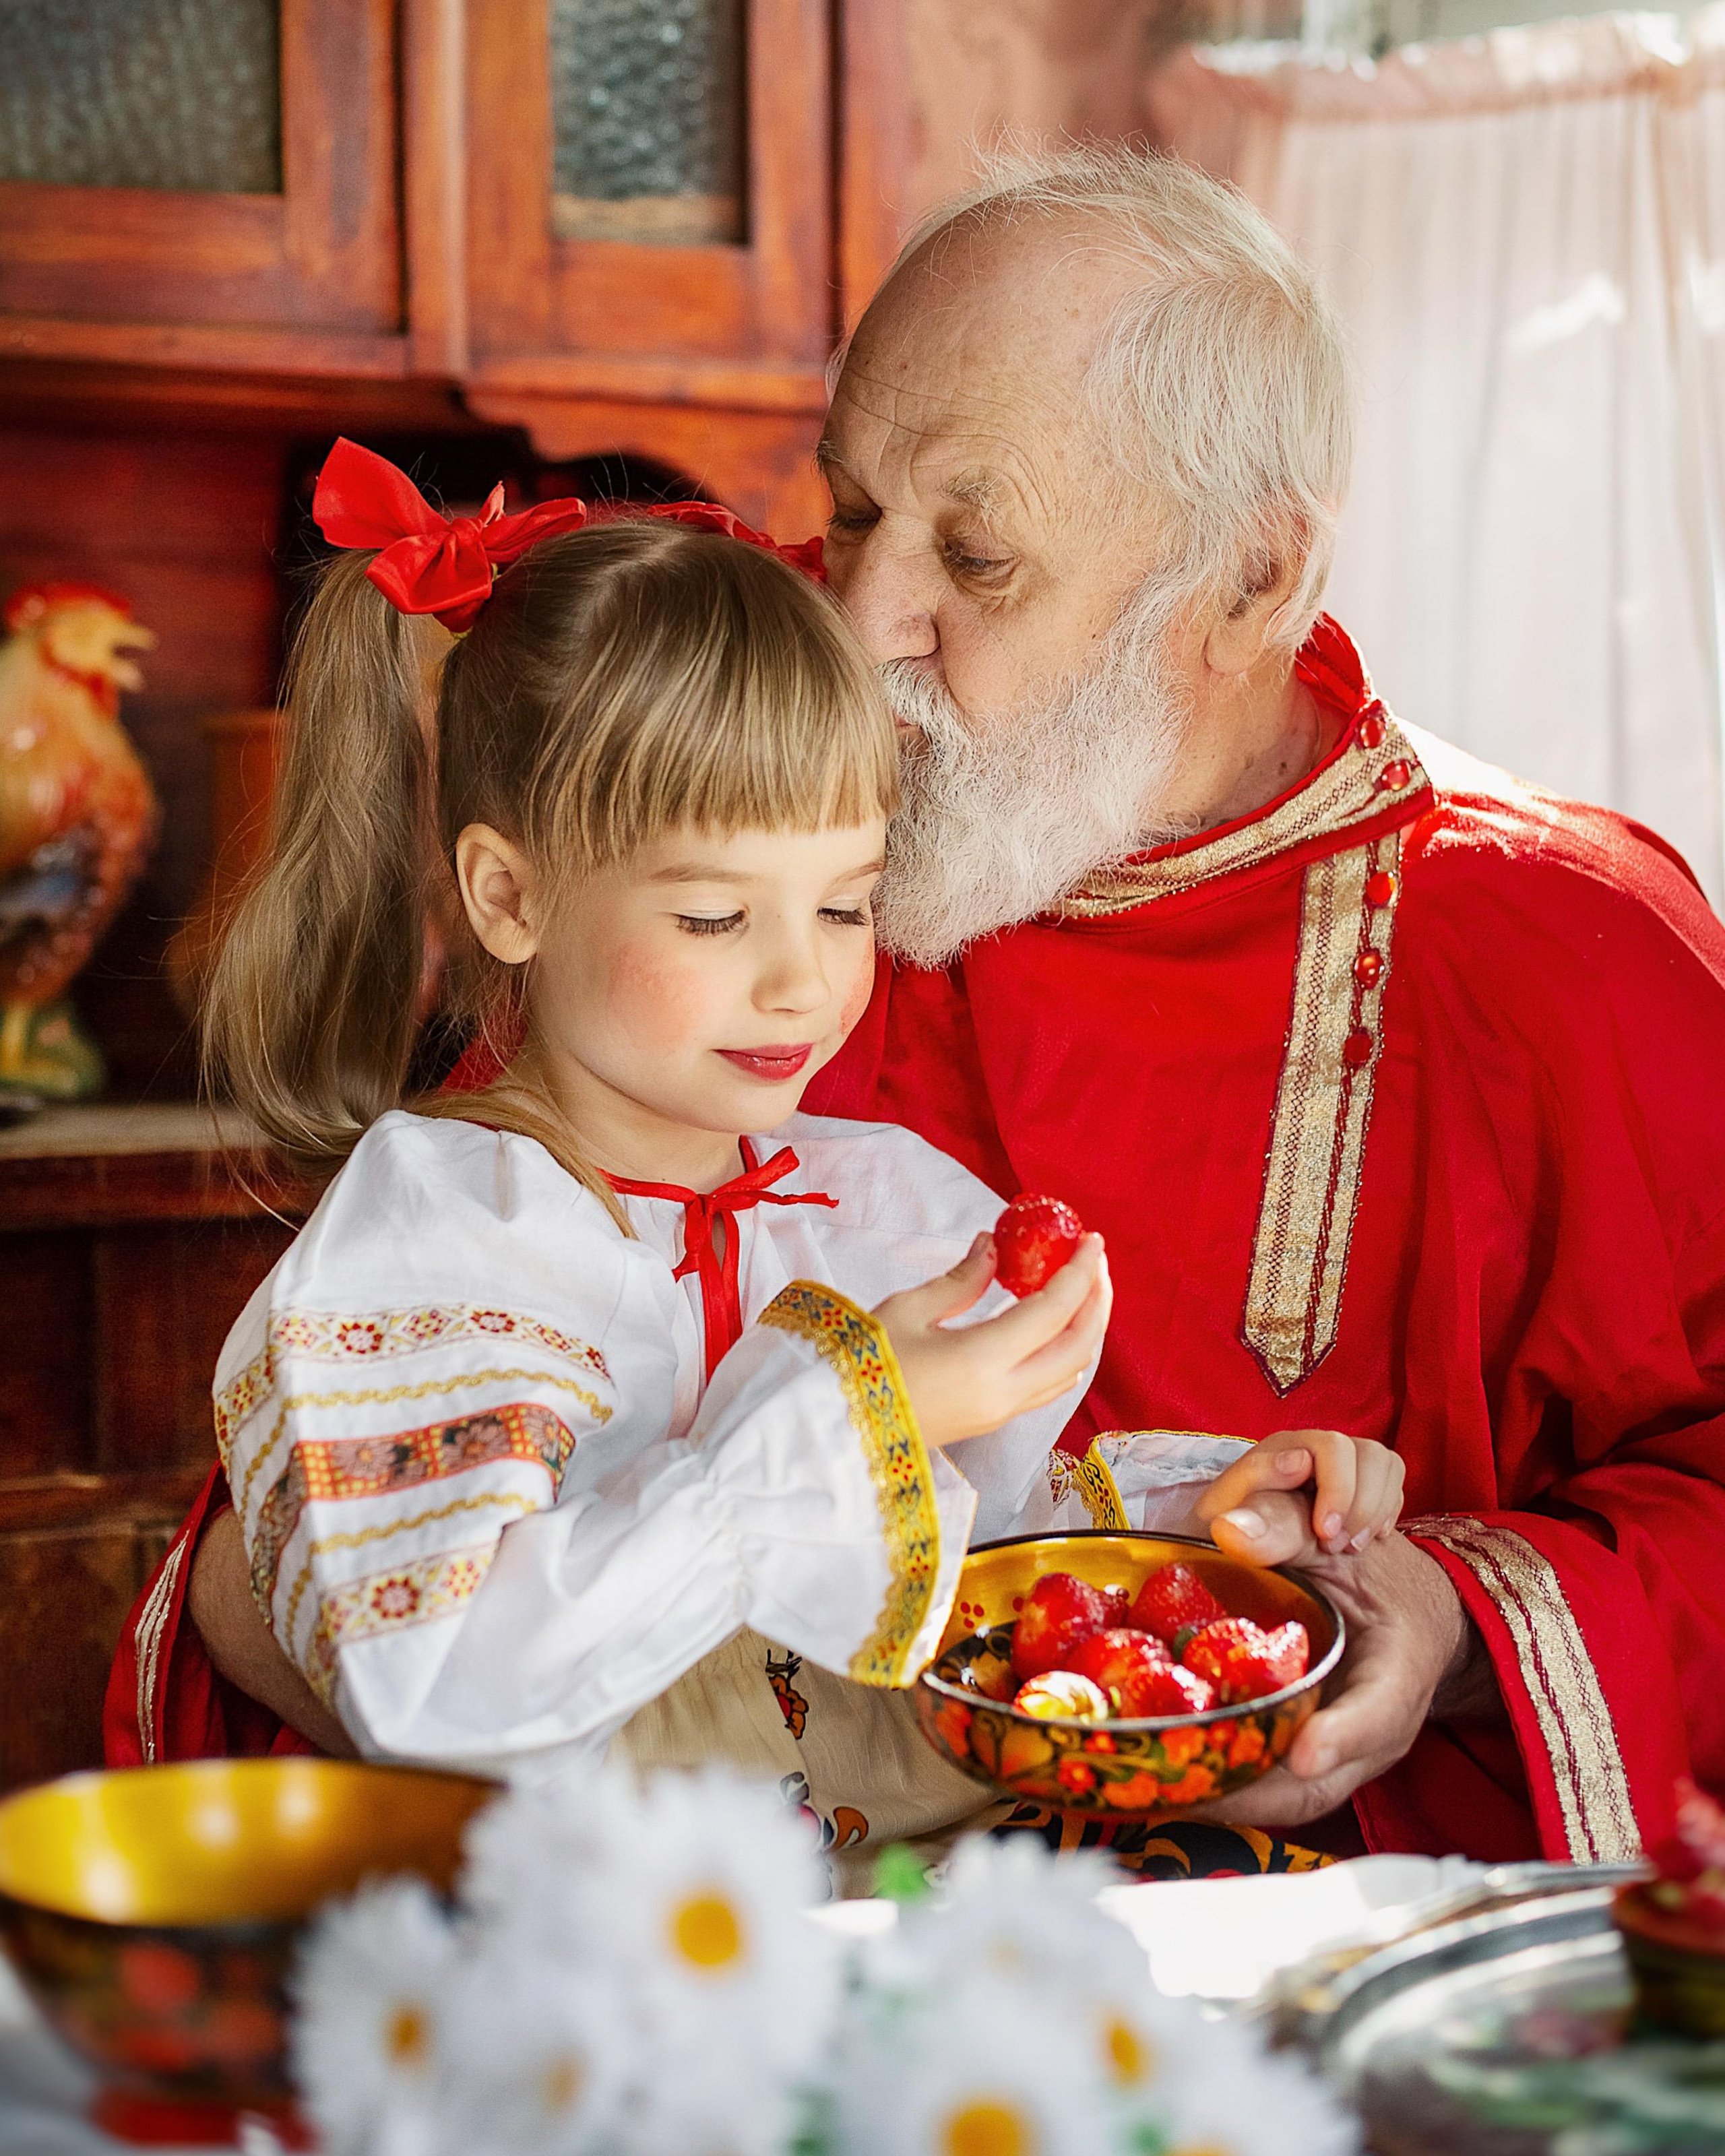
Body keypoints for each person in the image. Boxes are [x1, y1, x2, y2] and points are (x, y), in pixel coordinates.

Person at [109, 441, 1396, 1872]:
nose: (800, 984)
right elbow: (441, 1689)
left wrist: (1204, 1516)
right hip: (608, 1937)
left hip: (899, 1901)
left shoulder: (881, 1202)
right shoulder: (448, 1240)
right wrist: (848, 1423)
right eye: (716, 919)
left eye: (844, 907)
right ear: (509, 896)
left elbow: (966, 1565)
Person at [798, 146, 1725, 1864]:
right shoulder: (743, 856)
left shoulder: (1571, 952)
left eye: (974, 557)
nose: (859, 627)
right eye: (850, 511)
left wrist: (1453, 1618)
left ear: (1247, 580)